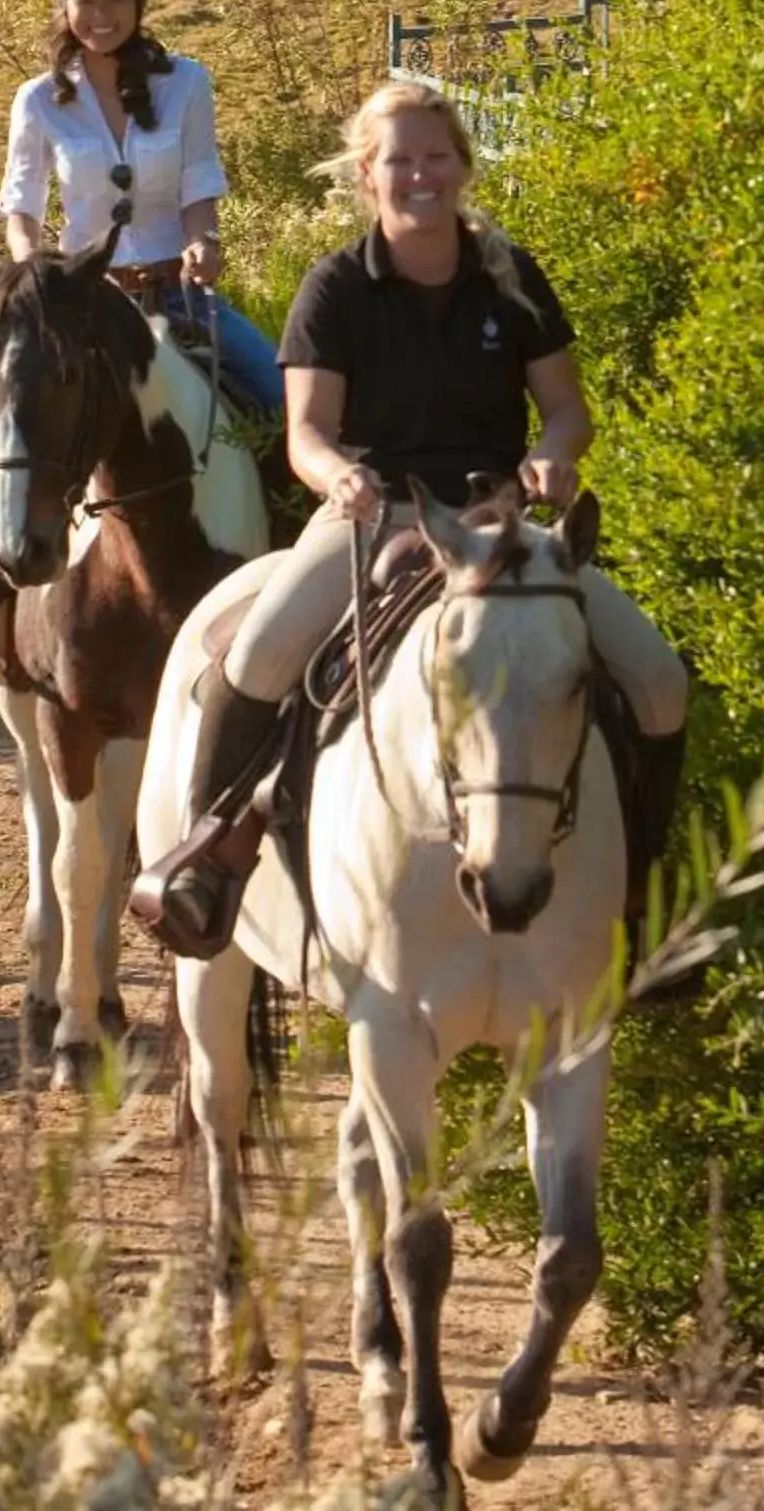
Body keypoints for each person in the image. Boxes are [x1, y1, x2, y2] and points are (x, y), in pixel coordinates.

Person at [133, 75, 689, 958]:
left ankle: (644, 890)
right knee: (256, 655)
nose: (419, 175)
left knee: (657, 679)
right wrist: (337, 478)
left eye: (436, 156)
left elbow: (567, 410)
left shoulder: (513, 275)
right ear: (367, 174)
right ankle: (207, 858)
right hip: (373, 513)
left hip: (498, 531)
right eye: (400, 160)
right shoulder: (335, 288)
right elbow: (307, 435)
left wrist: (555, 456)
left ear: (463, 166)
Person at [0, 0, 285, 668]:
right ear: (62, 6)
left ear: (140, 3)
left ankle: (295, 558)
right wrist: (39, 276)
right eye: (83, 1)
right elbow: (20, 206)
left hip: (174, 291)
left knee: (278, 395)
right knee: (2, 423)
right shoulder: (36, 100)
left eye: (115, 0)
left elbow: (199, 185)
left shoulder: (186, 83)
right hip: (82, 299)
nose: (99, 16)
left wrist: (204, 241)